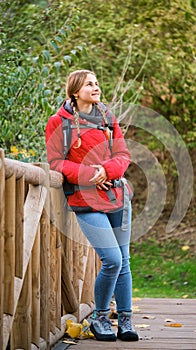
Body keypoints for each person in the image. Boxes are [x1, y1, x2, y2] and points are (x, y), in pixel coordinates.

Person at [45, 69, 139, 342]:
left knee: (124, 262)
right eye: (89, 84)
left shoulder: (107, 118)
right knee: (112, 260)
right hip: (85, 199)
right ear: (75, 90)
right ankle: (99, 317)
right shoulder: (59, 122)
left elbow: (123, 155)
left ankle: (125, 320)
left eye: (97, 82)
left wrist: (105, 170)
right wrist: (90, 174)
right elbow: (56, 163)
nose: (96, 87)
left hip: (118, 197)